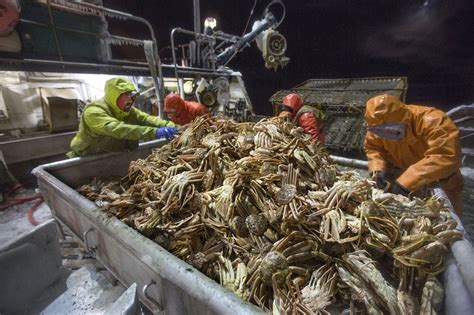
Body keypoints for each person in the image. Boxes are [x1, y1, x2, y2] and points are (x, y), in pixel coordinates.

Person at [364, 94, 464, 215]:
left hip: (441, 180)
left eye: (390, 129)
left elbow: (445, 155)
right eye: (380, 130)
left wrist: (406, 182)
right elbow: (373, 147)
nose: (385, 133)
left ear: (403, 119)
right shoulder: (378, 126)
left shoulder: (434, 120)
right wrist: (377, 169)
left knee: (447, 216)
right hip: (402, 174)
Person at [67, 77, 177, 157]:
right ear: (114, 96)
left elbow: (145, 118)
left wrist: (169, 125)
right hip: (88, 159)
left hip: (114, 155)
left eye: (133, 97)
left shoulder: (126, 110)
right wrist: (155, 132)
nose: (131, 100)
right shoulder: (94, 112)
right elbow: (120, 129)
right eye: (126, 97)